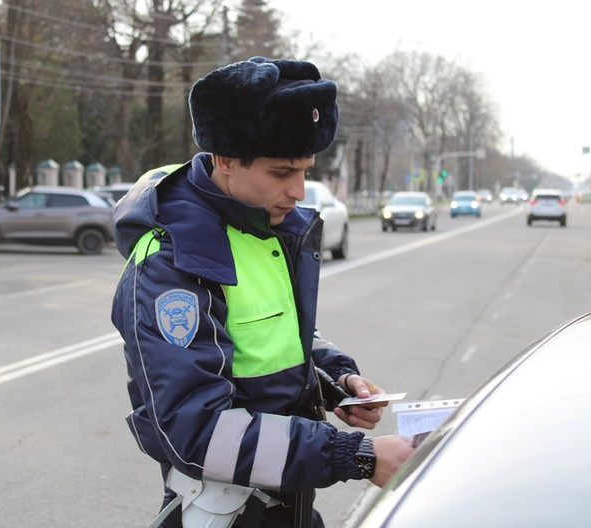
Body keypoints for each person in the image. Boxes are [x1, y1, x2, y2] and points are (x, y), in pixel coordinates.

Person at [111, 56, 414, 528]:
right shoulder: (171, 259)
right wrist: (357, 456)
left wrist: (336, 381)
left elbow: (271, 332)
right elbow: (196, 429)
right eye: (281, 173)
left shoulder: (266, 227)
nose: (298, 191)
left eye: (306, 172)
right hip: (223, 511)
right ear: (226, 160)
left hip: (287, 504)